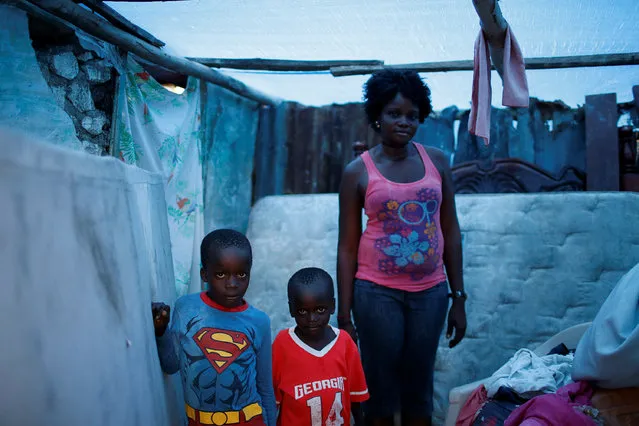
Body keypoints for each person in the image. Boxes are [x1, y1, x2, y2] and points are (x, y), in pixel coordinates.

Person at [336, 69, 467, 426]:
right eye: (395, 113)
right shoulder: (356, 172)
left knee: (419, 386)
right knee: (379, 387)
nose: (404, 122)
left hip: (431, 294)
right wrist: (344, 316)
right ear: (377, 115)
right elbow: (347, 247)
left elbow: (451, 230)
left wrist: (458, 297)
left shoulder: (437, 161)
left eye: (412, 115)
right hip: (376, 293)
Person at [152, 229, 277, 426]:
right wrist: (161, 331)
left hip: (249, 420)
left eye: (241, 274)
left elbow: (265, 388)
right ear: (204, 274)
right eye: (220, 274)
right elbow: (171, 365)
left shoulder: (259, 321)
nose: (232, 284)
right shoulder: (186, 308)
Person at [272, 267, 369, 426]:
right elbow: (271, 402)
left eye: (320, 310)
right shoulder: (282, 344)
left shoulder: (344, 343)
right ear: (291, 309)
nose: (312, 318)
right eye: (303, 311)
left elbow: (355, 396)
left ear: (332, 306)